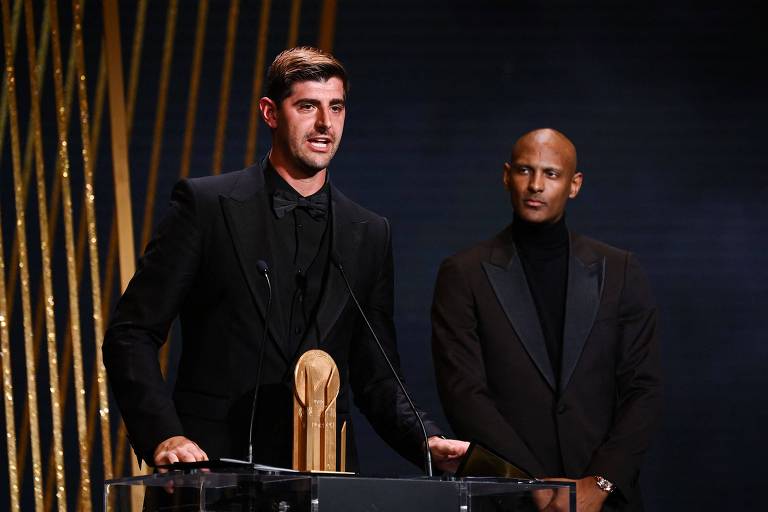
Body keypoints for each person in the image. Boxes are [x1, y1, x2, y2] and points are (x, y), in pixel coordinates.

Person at [103, 46, 467, 474]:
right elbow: (131, 333)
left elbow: (376, 372)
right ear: (270, 112)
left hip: (322, 477)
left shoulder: (368, 232)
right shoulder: (206, 206)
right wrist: (164, 435)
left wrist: (425, 440)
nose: (324, 124)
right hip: (209, 472)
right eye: (308, 106)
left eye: (336, 107)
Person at [431, 129, 662, 511]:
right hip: (506, 498)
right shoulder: (463, 273)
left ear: (575, 185)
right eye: (524, 170)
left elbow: (644, 389)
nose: (535, 185)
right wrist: (528, 482)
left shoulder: (620, 271)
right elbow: (463, 393)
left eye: (551, 174)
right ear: (507, 176)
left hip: (604, 500)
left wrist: (600, 482)